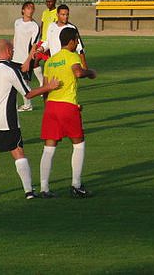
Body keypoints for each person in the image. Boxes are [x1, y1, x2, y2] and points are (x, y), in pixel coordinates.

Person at [0, 39, 60, 199]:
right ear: (7, 51)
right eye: (12, 50)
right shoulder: (10, 71)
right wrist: (48, 87)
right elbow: (27, 93)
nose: (13, 52)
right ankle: (29, 191)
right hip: (6, 121)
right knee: (18, 151)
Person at [39, 28, 97, 198]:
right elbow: (78, 72)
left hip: (51, 106)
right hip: (67, 106)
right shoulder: (73, 56)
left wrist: (47, 106)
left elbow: (45, 87)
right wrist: (90, 72)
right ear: (71, 41)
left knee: (49, 147)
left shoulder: (51, 60)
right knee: (78, 143)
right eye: (76, 40)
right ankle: (76, 185)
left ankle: (44, 188)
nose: (78, 43)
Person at [12, 1, 41, 112]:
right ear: (23, 10)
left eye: (32, 8)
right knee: (14, 83)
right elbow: (15, 37)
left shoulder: (35, 26)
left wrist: (28, 61)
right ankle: (15, 105)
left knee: (24, 83)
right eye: (28, 8)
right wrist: (12, 52)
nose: (31, 10)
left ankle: (27, 105)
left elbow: (34, 46)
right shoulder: (17, 22)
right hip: (15, 57)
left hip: (25, 59)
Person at [41, 4, 88, 69]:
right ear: (57, 15)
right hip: (54, 63)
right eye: (63, 15)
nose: (65, 17)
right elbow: (48, 42)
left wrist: (85, 67)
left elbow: (80, 49)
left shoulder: (72, 28)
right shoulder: (51, 26)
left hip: (66, 64)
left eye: (67, 14)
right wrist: (41, 48)